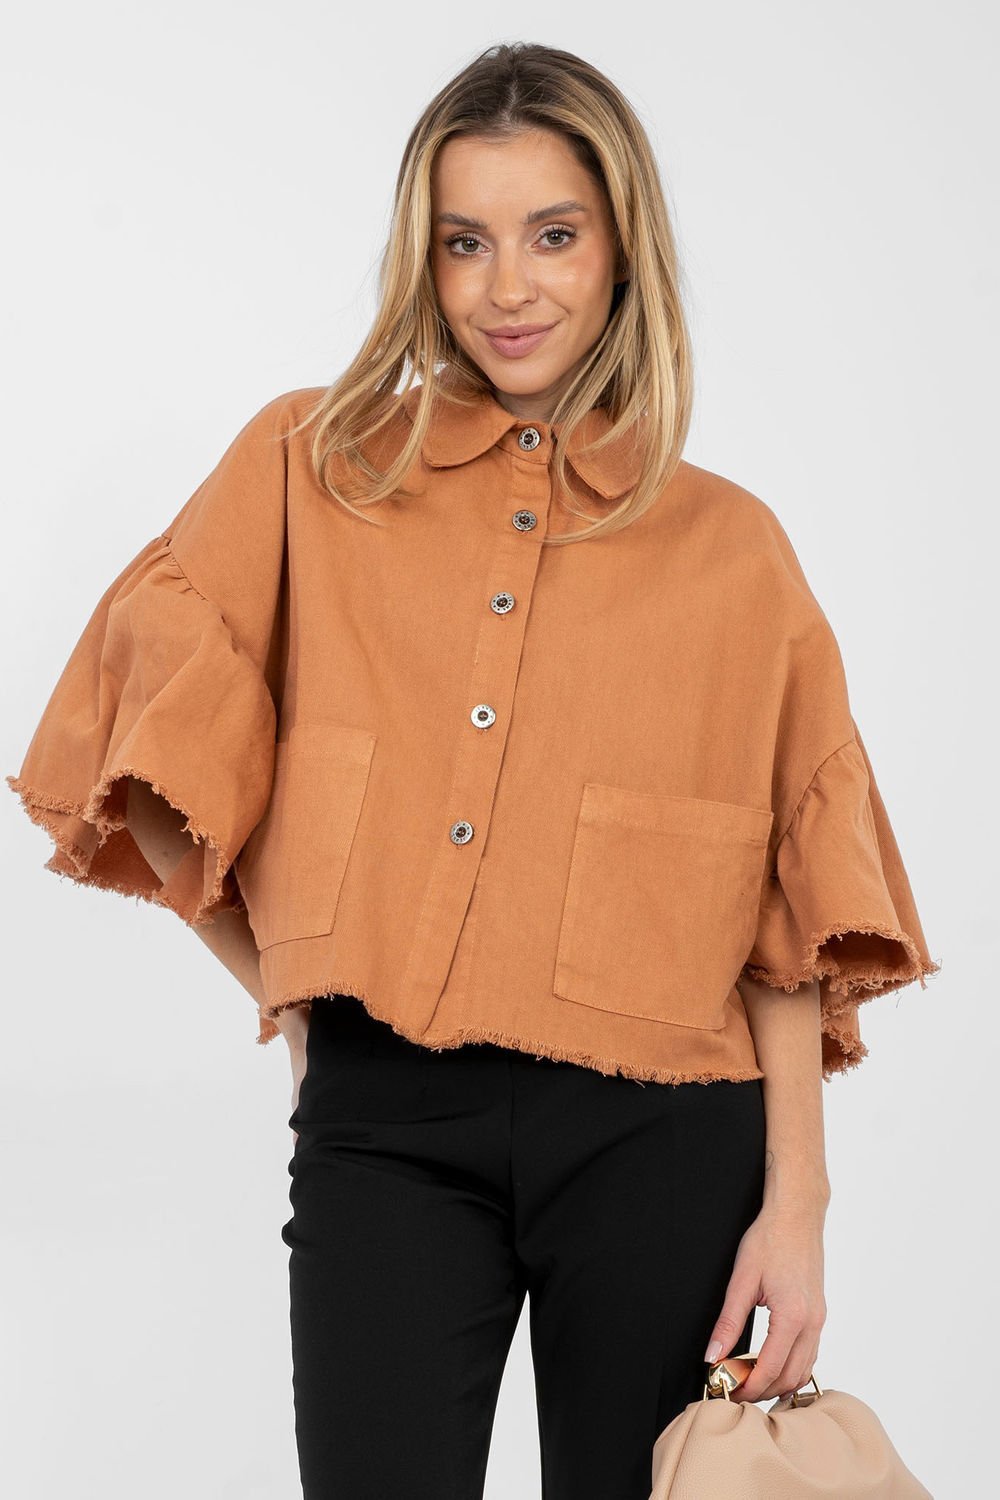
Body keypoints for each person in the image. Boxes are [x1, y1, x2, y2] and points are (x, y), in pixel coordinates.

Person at [6, 41, 939, 1500]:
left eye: (553, 235)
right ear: (422, 259)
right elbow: (154, 761)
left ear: (622, 248)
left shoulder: (733, 552)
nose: (510, 287)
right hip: (386, 1127)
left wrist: (799, 1210)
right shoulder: (309, 468)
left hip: (662, 1139)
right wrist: (290, 991)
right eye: (466, 242)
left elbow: (778, 923)